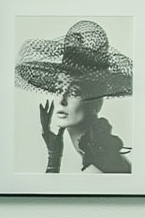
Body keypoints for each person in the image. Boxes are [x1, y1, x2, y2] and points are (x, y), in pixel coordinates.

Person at [15, 19, 133, 174]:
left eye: (74, 92)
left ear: (96, 102)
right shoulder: (98, 153)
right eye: (58, 89)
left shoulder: (95, 169)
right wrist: (54, 156)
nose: (62, 101)